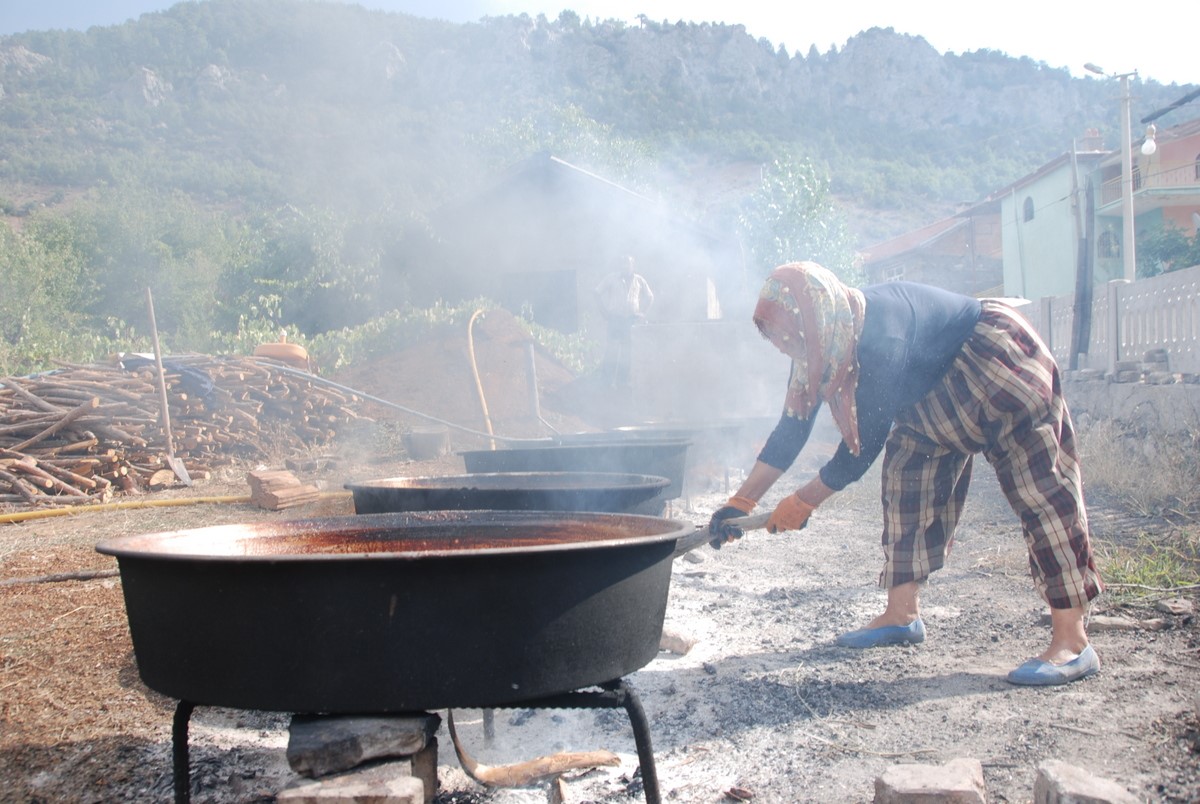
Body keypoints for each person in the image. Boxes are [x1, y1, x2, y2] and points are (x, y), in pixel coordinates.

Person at [708, 261, 1103, 686]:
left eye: (788, 337)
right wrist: (740, 502)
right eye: (777, 339)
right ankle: (902, 615)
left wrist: (804, 501)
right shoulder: (821, 343)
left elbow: (860, 452)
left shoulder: (881, 336)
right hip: (930, 395)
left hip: (992, 363)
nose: (786, 349)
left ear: (814, 316)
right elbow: (791, 430)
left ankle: (1073, 642)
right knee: (906, 485)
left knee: (1039, 489)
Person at [594, 255, 654, 387]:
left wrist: (642, 313)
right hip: (615, 319)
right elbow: (597, 292)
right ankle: (606, 382)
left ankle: (622, 383)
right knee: (612, 350)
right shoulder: (612, 278)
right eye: (622, 264)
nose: (624, 267)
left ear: (633, 266)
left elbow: (650, 297)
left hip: (631, 321)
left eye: (627, 264)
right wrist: (604, 312)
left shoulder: (639, 280)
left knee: (627, 352)